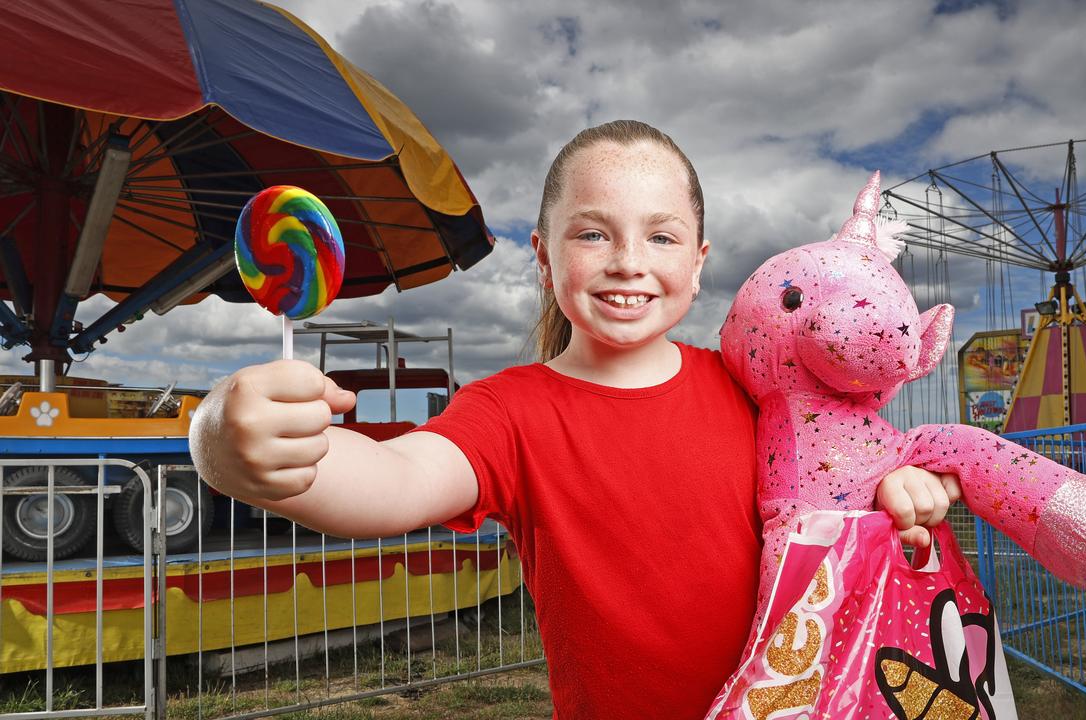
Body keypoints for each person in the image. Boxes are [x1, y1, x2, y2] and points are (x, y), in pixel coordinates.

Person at [189, 120, 959, 719]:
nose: (628, 260)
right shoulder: (510, 411)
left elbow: (847, 475)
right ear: (545, 258)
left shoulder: (754, 391)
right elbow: (392, 480)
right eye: (593, 233)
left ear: (698, 261)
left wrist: (903, 485)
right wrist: (227, 441)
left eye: (661, 236)